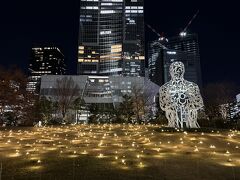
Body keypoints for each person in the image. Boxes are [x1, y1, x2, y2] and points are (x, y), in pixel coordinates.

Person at [159, 61, 203, 128]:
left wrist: (185, 103)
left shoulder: (193, 86)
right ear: (170, 71)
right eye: (175, 69)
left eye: (179, 69)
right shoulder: (164, 88)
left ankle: (189, 126)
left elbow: (199, 103)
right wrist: (176, 104)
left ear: (183, 70)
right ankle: (175, 125)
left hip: (190, 120)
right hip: (173, 119)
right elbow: (163, 105)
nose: (177, 72)